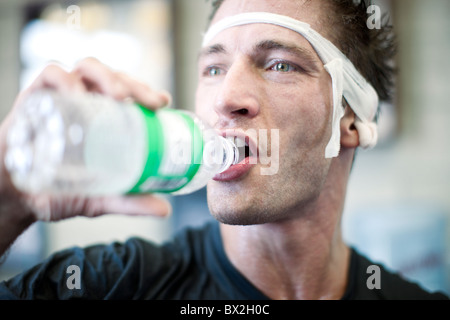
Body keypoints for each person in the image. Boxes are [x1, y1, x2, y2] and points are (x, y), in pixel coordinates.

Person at [0, 0, 448, 300]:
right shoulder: (117, 283)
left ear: (351, 119)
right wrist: (7, 204)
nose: (225, 98)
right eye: (213, 68)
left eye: (278, 64)